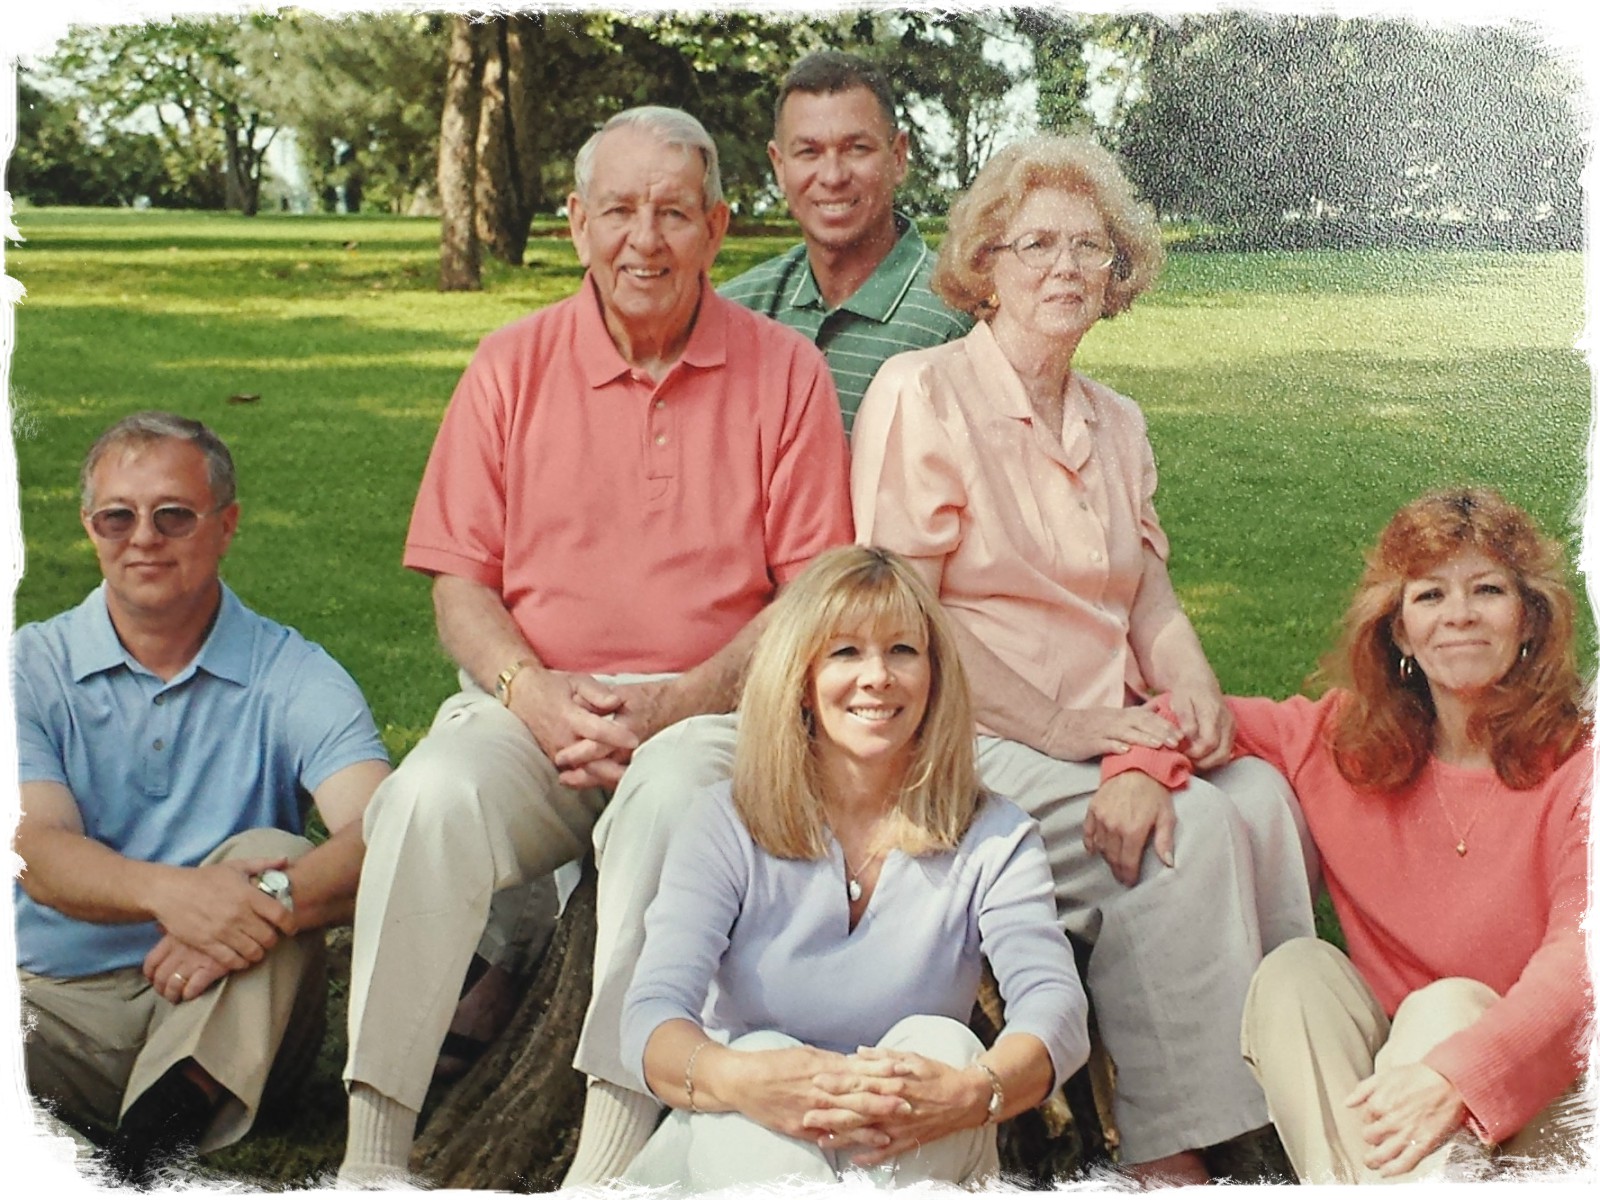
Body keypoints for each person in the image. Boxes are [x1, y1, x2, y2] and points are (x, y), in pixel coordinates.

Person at [336, 106, 852, 1185]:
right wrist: (532, 692)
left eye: (672, 213)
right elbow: (459, 582)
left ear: (718, 228)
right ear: (574, 224)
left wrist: (681, 702)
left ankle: (607, 1160)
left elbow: (811, 592)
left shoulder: (787, 372)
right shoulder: (510, 364)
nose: (643, 239)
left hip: (711, 708)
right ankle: (372, 1155)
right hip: (536, 699)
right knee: (426, 801)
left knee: (672, 809)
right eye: (618, 209)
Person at [850, 134, 1317, 1184]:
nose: (1065, 267)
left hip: (1104, 723)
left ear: (1119, 272)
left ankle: (1287, 1095)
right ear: (985, 265)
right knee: (1184, 834)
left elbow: (1143, 592)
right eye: (1036, 245)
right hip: (965, 733)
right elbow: (903, 611)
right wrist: (1066, 731)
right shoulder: (921, 392)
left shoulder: (1117, 421)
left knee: (1263, 803)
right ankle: (1172, 1148)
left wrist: (1188, 684)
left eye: (1090, 247)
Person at [1110, 488, 1590, 1183]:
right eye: (1429, 596)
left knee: (1443, 1007)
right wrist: (1140, 767)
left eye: (1487, 589)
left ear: (1529, 620)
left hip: (1543, 1103)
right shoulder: (1348, 744)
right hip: (1394, 1114)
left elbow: (1583, 965)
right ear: (1396, 630)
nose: (1458, 615)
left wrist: (1459, 1076)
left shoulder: (1582, 764)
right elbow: (1195, 717)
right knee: (1294, 978)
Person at [617, 545, 1088, 1190]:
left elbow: (1052, 1004)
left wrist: (974, 1091)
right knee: (757, 1057)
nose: (878, 677)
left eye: (902, 650)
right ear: (802, 676)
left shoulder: (994, 834)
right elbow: (650, 1016)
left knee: (942, 1045)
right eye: (846, 652)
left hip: (913, 1143)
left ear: (935, 674)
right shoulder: (725, 821)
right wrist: (743, 1080)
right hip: (747, 1144)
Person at [12, 411, 391, 1185]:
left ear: (227, 526)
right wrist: (178, 898)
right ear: (90, 529)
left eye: (174, 515)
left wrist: (263, 904)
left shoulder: (294, 672)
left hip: (228, 1022)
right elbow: (35, 850)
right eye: (118, 516)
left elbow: (389, 830)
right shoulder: (26, 669)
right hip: (50, 1012)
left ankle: (152, 1151)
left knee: (276, 856)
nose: (143, 537)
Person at [720, 51, 971, 432]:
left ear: (899, 157)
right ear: (779, 165)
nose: (833, 176)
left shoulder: (956, 320)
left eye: (857, 148)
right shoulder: (734, 312)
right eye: (809, 151)